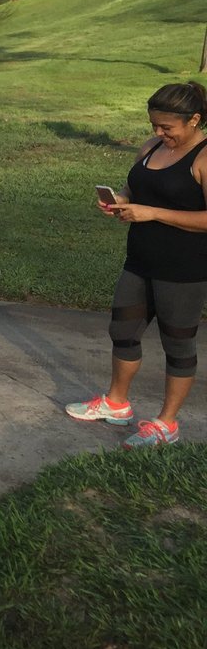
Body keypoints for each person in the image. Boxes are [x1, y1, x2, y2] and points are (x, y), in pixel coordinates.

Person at [66, 81, 207, 448]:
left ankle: (167, 423)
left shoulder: (205, 158)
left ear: (194, 120)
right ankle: (116, 403)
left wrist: (152, 213)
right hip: (140, 261)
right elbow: (139, 190)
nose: (159, 133)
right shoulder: (151, 148)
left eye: (167, 128)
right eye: (154, 126)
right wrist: (123, 200)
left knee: (178, 345)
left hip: (184, 270)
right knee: (123, 331)